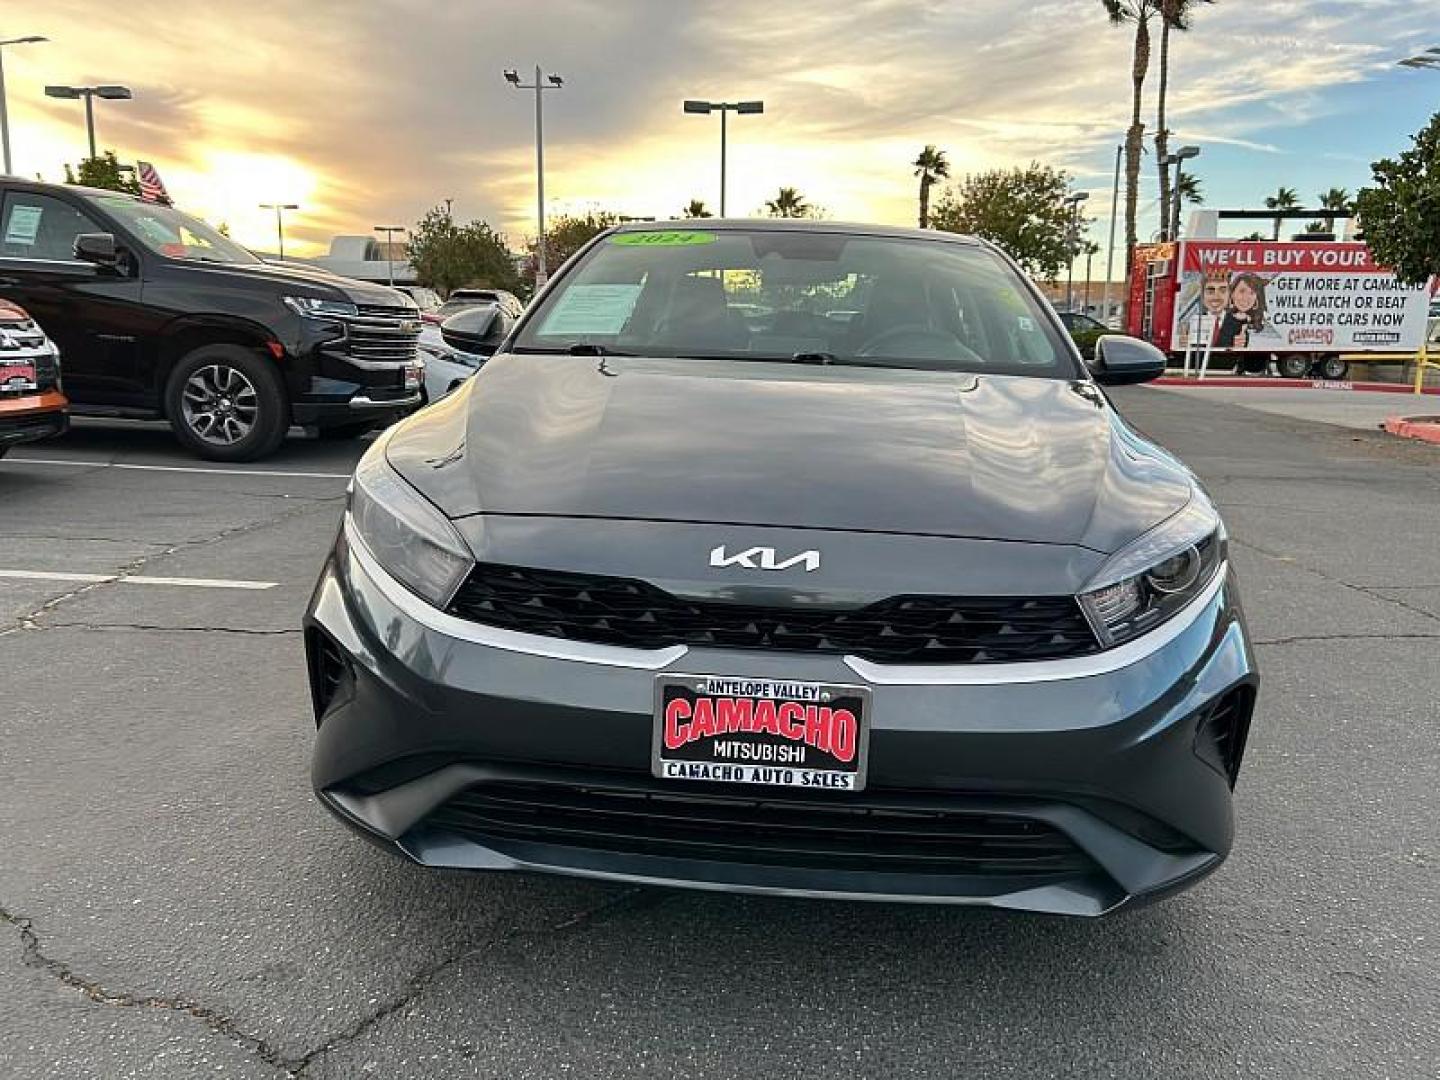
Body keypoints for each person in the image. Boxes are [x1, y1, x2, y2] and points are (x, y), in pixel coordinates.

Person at [1215, 273, 1268, 350]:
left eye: (1252, 293)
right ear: (1232, 293)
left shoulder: (1253, 323)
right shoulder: (1219, 318)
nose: (1246, 297)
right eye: (1242, 291)